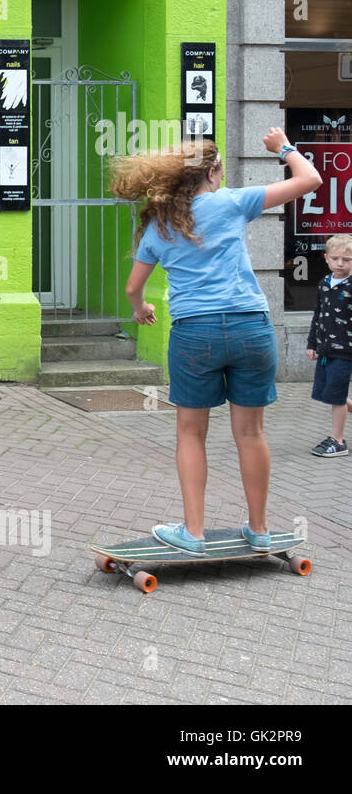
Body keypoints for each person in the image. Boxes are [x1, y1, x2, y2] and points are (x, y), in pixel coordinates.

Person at [113, 129, 321, 556]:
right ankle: (260, 529)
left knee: (191, 433)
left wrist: (140, 310)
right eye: (221, 168)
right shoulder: (230, 202)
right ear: (211, 173)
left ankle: (194, 533)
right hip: (251, 330)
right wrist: (283, 147)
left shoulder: (159, 225)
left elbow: (135, 287)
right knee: (251, 433)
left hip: (195, 334)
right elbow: (311, 180)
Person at [305, 233, 352, 457]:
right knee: (328, 393)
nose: (340, 263)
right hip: (326, 350)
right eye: (336, 258)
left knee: (336, 395)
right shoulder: (324, 284)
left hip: (346, 351)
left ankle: (338, 440)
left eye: (347, 259)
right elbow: (318, 315)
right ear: (326, 258)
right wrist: (312, 343)